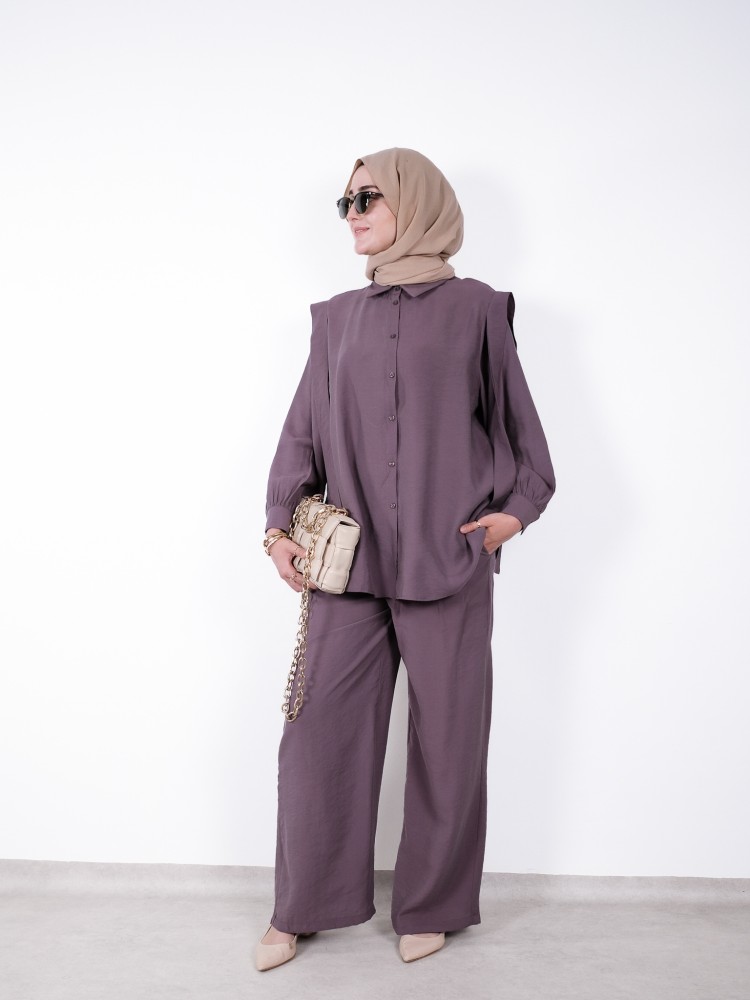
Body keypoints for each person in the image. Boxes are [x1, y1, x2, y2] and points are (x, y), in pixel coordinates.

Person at [256, 147, 556, 971]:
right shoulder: (335, 320)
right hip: (348, 570)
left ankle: (433, 903)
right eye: (345, 202)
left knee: (449, 742)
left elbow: (526, 439)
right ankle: (302, 904)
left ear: (416, 204)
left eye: (368, 198)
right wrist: (279, 526)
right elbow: (302, 434)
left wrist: (510, 517)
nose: (352, 214)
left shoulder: (478, 310)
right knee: (316, 737)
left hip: (448, 558)